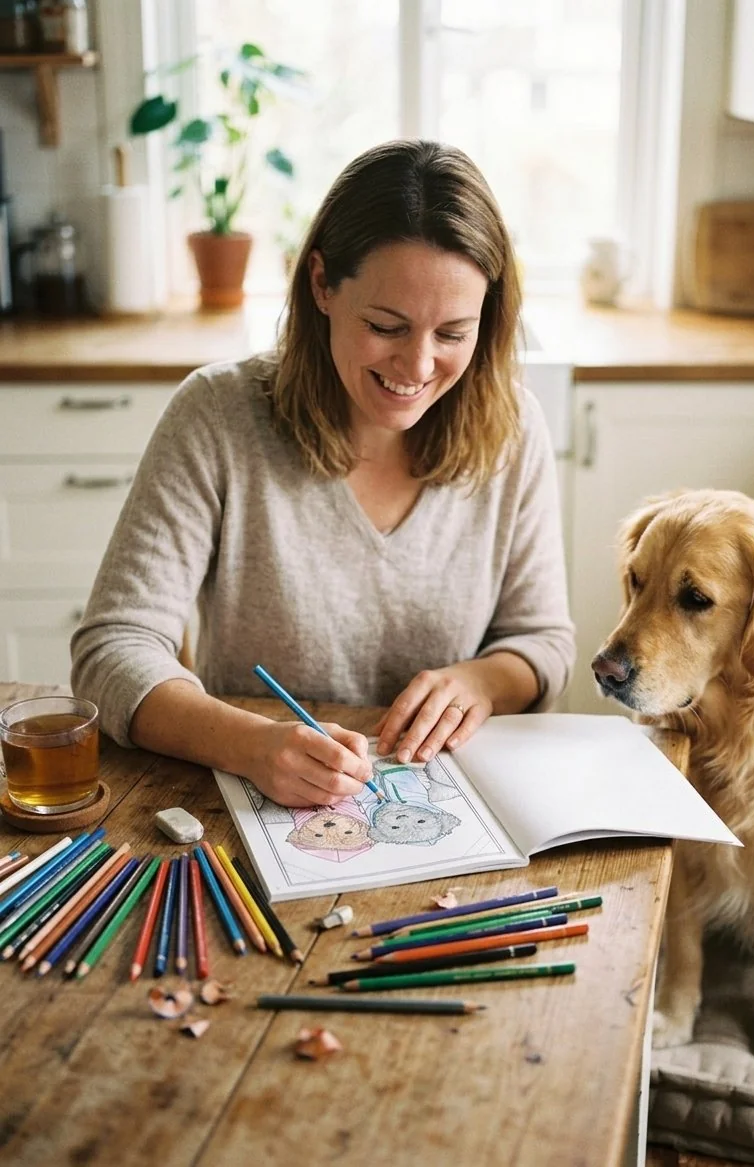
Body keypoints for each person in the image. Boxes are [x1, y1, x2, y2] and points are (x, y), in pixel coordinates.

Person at [71, 139, 575, 809]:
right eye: (386, 325)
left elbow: (543, 642)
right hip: (251, 807)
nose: (418, 365)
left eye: (452, 333)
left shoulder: (513, 428)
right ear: (321, 286)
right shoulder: (218, 415)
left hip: (442, 809)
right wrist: (250, 743)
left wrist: (482, 681)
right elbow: (112, 649)